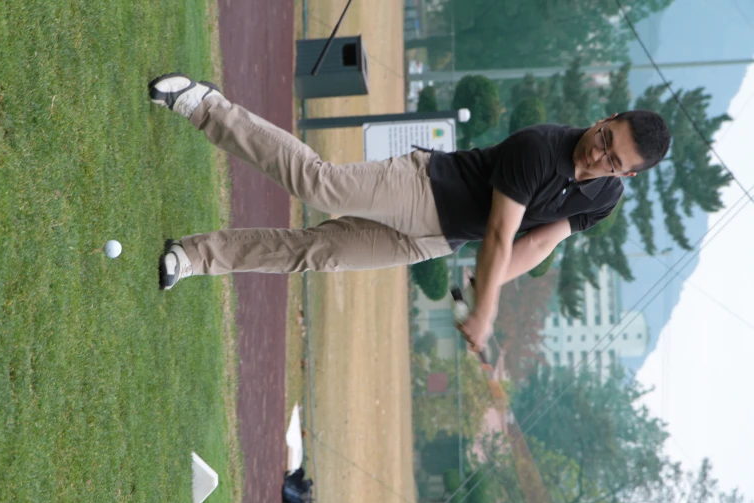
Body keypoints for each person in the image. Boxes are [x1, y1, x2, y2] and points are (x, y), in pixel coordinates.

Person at [148, 72, 671, 350]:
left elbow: (538, 242)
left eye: (612, 159)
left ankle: (195, 256)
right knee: (320, 185)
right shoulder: (540, 147)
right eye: (605, 136)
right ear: (607, 116)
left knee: (317, 254)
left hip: (433, 240)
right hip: (423, 186)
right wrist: (485, 309)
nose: (597, 152)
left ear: (625, 175)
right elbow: (499, 233)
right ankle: (205, 106)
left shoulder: (603, 198)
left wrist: (479, 291)